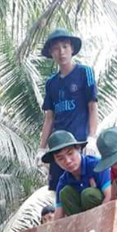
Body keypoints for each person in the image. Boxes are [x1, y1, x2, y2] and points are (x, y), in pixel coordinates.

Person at [40, 29, 99, 193]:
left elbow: (93, 107)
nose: (61, 52)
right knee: (61, 191)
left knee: (90, 188)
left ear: (72, 48)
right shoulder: (51, 83)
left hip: (80, 143)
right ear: (51, 52)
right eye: (56, 48)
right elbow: (49, 119)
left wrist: (92, 137)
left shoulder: (84, 72)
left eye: (65, 46)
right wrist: (42, 148)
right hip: (58, 147)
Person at [43, 130, 112, 220]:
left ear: (78, 148)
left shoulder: (96, 165)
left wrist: (97, 223)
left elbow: (111, 196)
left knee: (88, 194)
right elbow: (58, 215)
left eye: (70, 153)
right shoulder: (63, 181)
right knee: (65, 193)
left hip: (112, 215)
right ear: (55, 161)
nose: (68, 161)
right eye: (60, 158)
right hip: (87, 224)